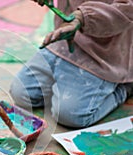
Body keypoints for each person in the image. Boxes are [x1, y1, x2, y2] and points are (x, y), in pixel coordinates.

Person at [10, 0, 133, 128]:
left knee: (69, 115)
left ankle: (124, 89)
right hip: (63, 38)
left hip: (102, 54)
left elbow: (127, 8)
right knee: (21, 94)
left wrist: (82, 17)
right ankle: (66, 90)